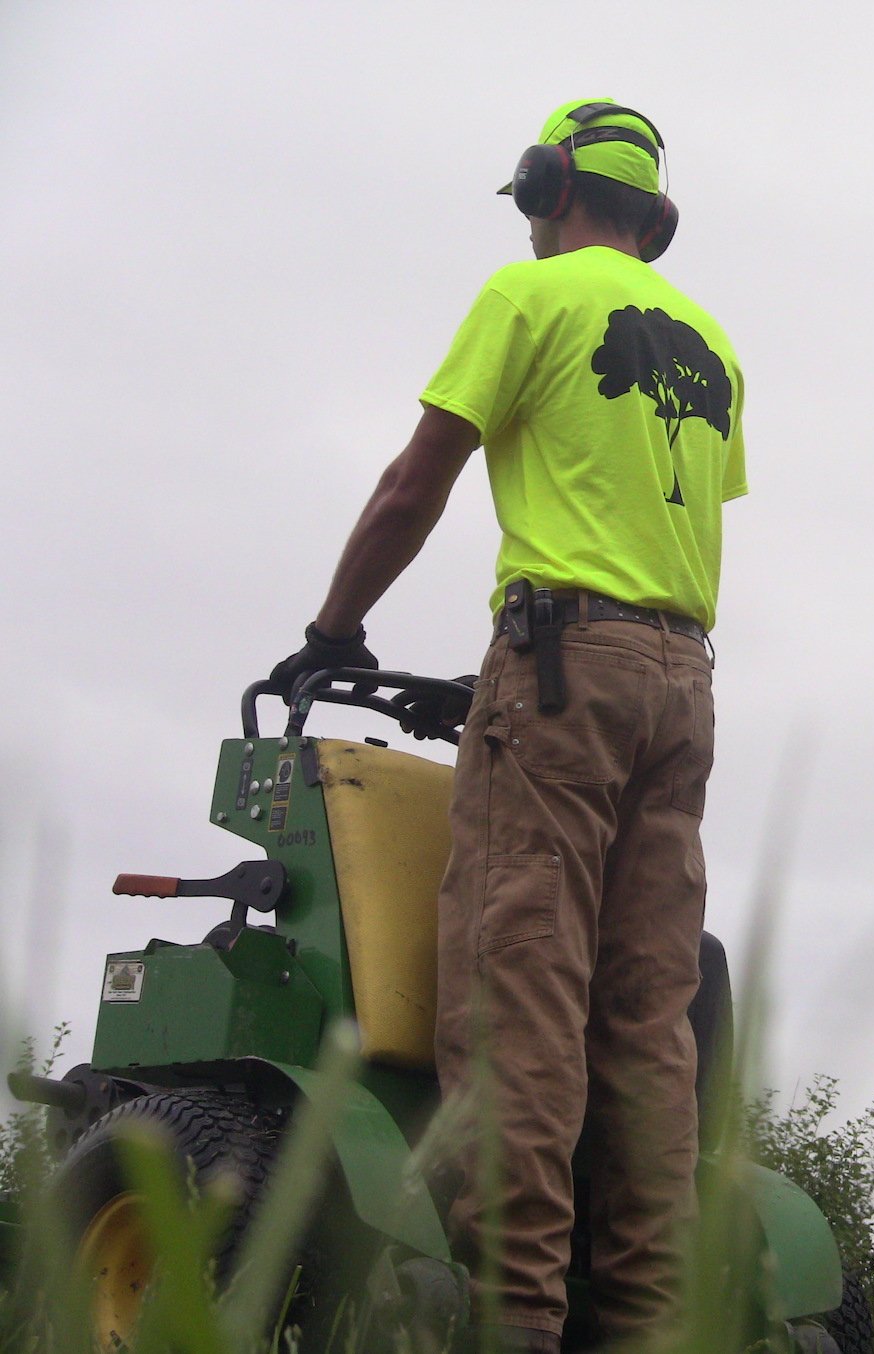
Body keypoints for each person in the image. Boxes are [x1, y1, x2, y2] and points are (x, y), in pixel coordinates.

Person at [269, 98, 747, 1352]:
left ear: (547, 187)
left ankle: (514, 1320)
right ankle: (643, 1324)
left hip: (558, 674)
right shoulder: (712, 342)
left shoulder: (528, 299)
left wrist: (332, 629)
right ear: (657, 212)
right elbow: (661, 510)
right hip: (684, 684)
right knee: (647, 1021)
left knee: (518, 992)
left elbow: (411, 486)